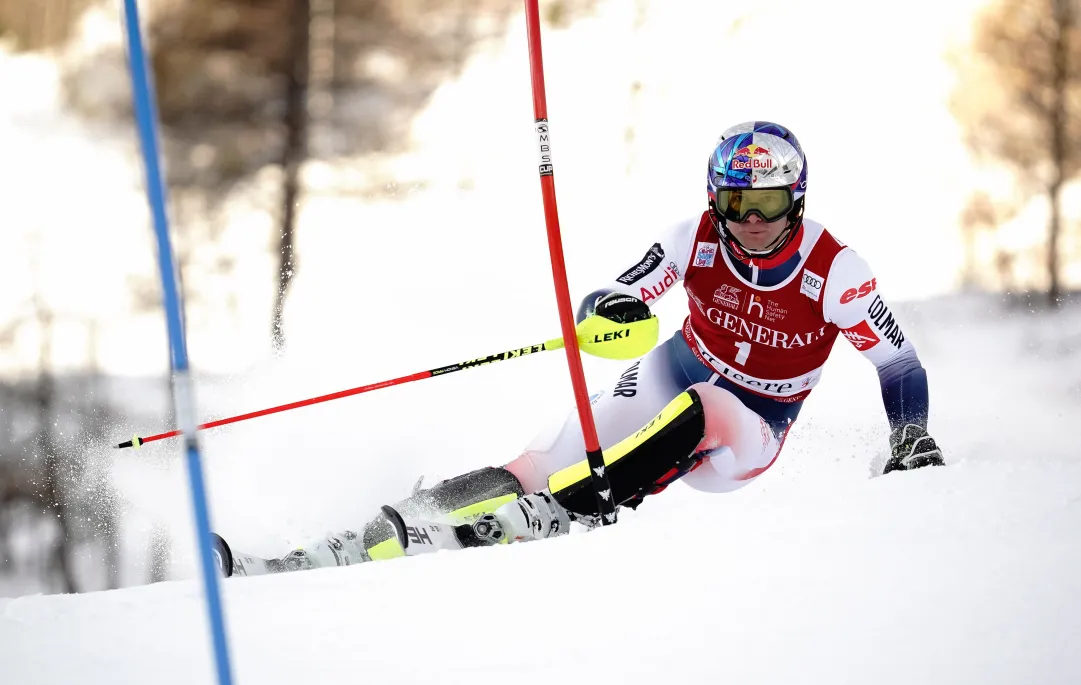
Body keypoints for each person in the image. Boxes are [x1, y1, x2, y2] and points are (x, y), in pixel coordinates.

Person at [219, 120, 945, 576]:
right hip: (677, 365)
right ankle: (380, 526)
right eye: (735, 203)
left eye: (769, 204)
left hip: (750, 427)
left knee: (706, 405)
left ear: (798, 197)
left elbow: (898, 361)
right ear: (714, 198)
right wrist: (610, 309)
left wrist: (909, 431)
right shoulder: (690, 237)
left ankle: (573, 509)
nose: (752, 221)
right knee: (542, 455)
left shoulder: (834, 270)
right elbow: (615, 294)